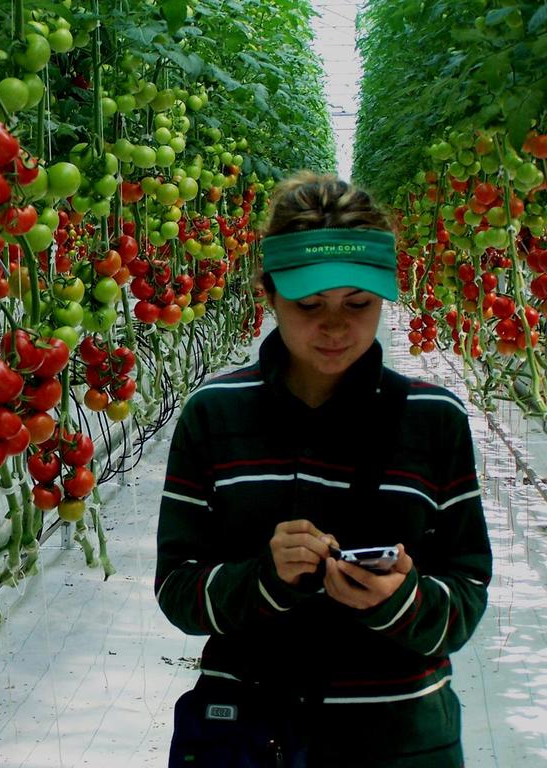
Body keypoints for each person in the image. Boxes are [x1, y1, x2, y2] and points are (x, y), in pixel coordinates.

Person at [155, 172, 492, 768]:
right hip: (258, 736)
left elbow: (466, 594)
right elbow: (177, 589)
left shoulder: (434, 419)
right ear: (269, 295)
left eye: (357, 304)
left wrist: (399, 598)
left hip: (400, 739)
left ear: (385, 296)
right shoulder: (214, 415)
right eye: (309, 305)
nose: (335, 326)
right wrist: (266, 578)